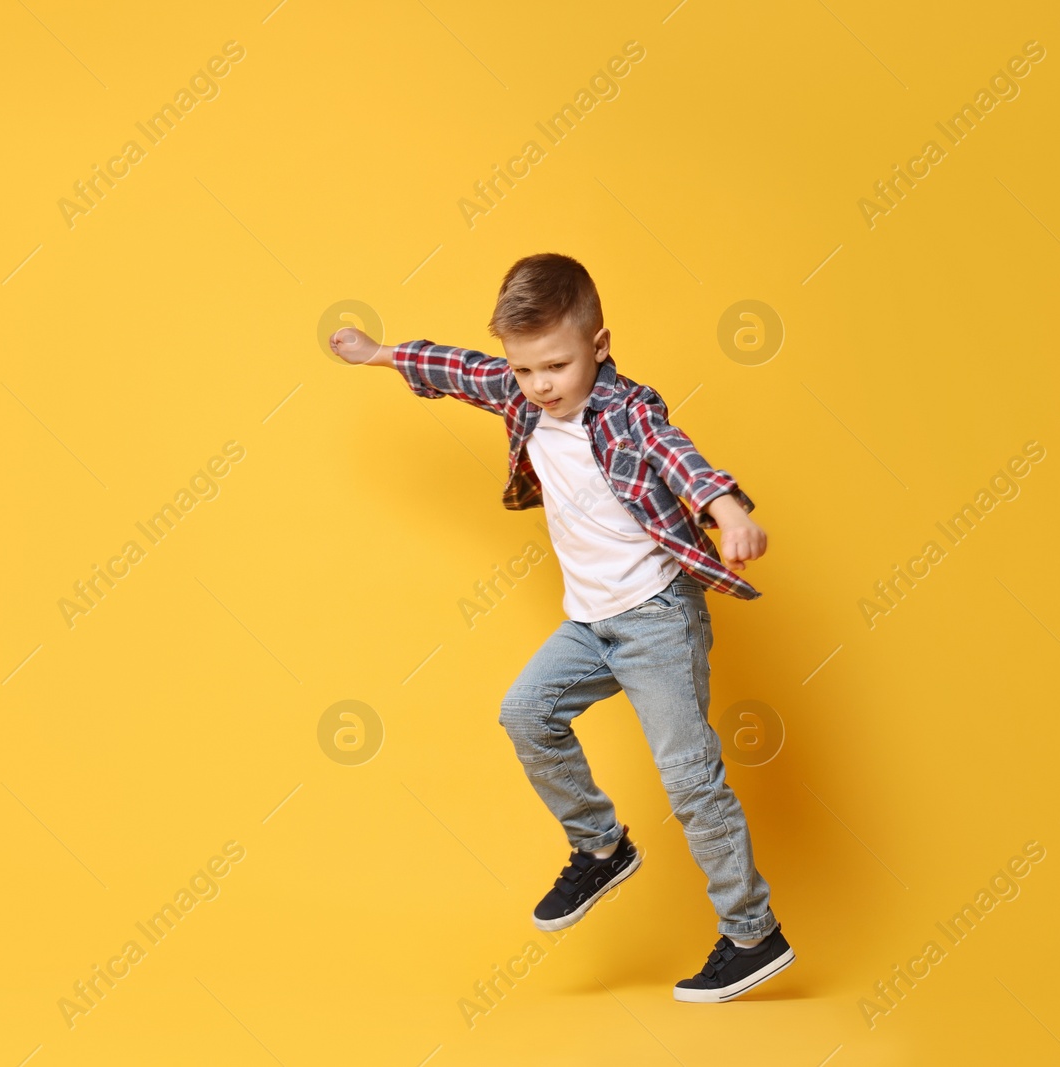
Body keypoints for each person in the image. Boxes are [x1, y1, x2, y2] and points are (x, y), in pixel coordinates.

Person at [329, 252, 793, 1002]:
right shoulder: (521, 397)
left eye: (556, 365)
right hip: (590, 624)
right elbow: (461, 369)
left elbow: (682, 459)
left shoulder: (629, 408)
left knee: (689, 779)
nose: (540, 385)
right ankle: (601, 845)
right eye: (526, 370)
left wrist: (729, 510)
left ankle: (751, 933)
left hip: (656, 619)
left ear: (599, 345)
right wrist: (379, 355)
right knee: (526, 712)